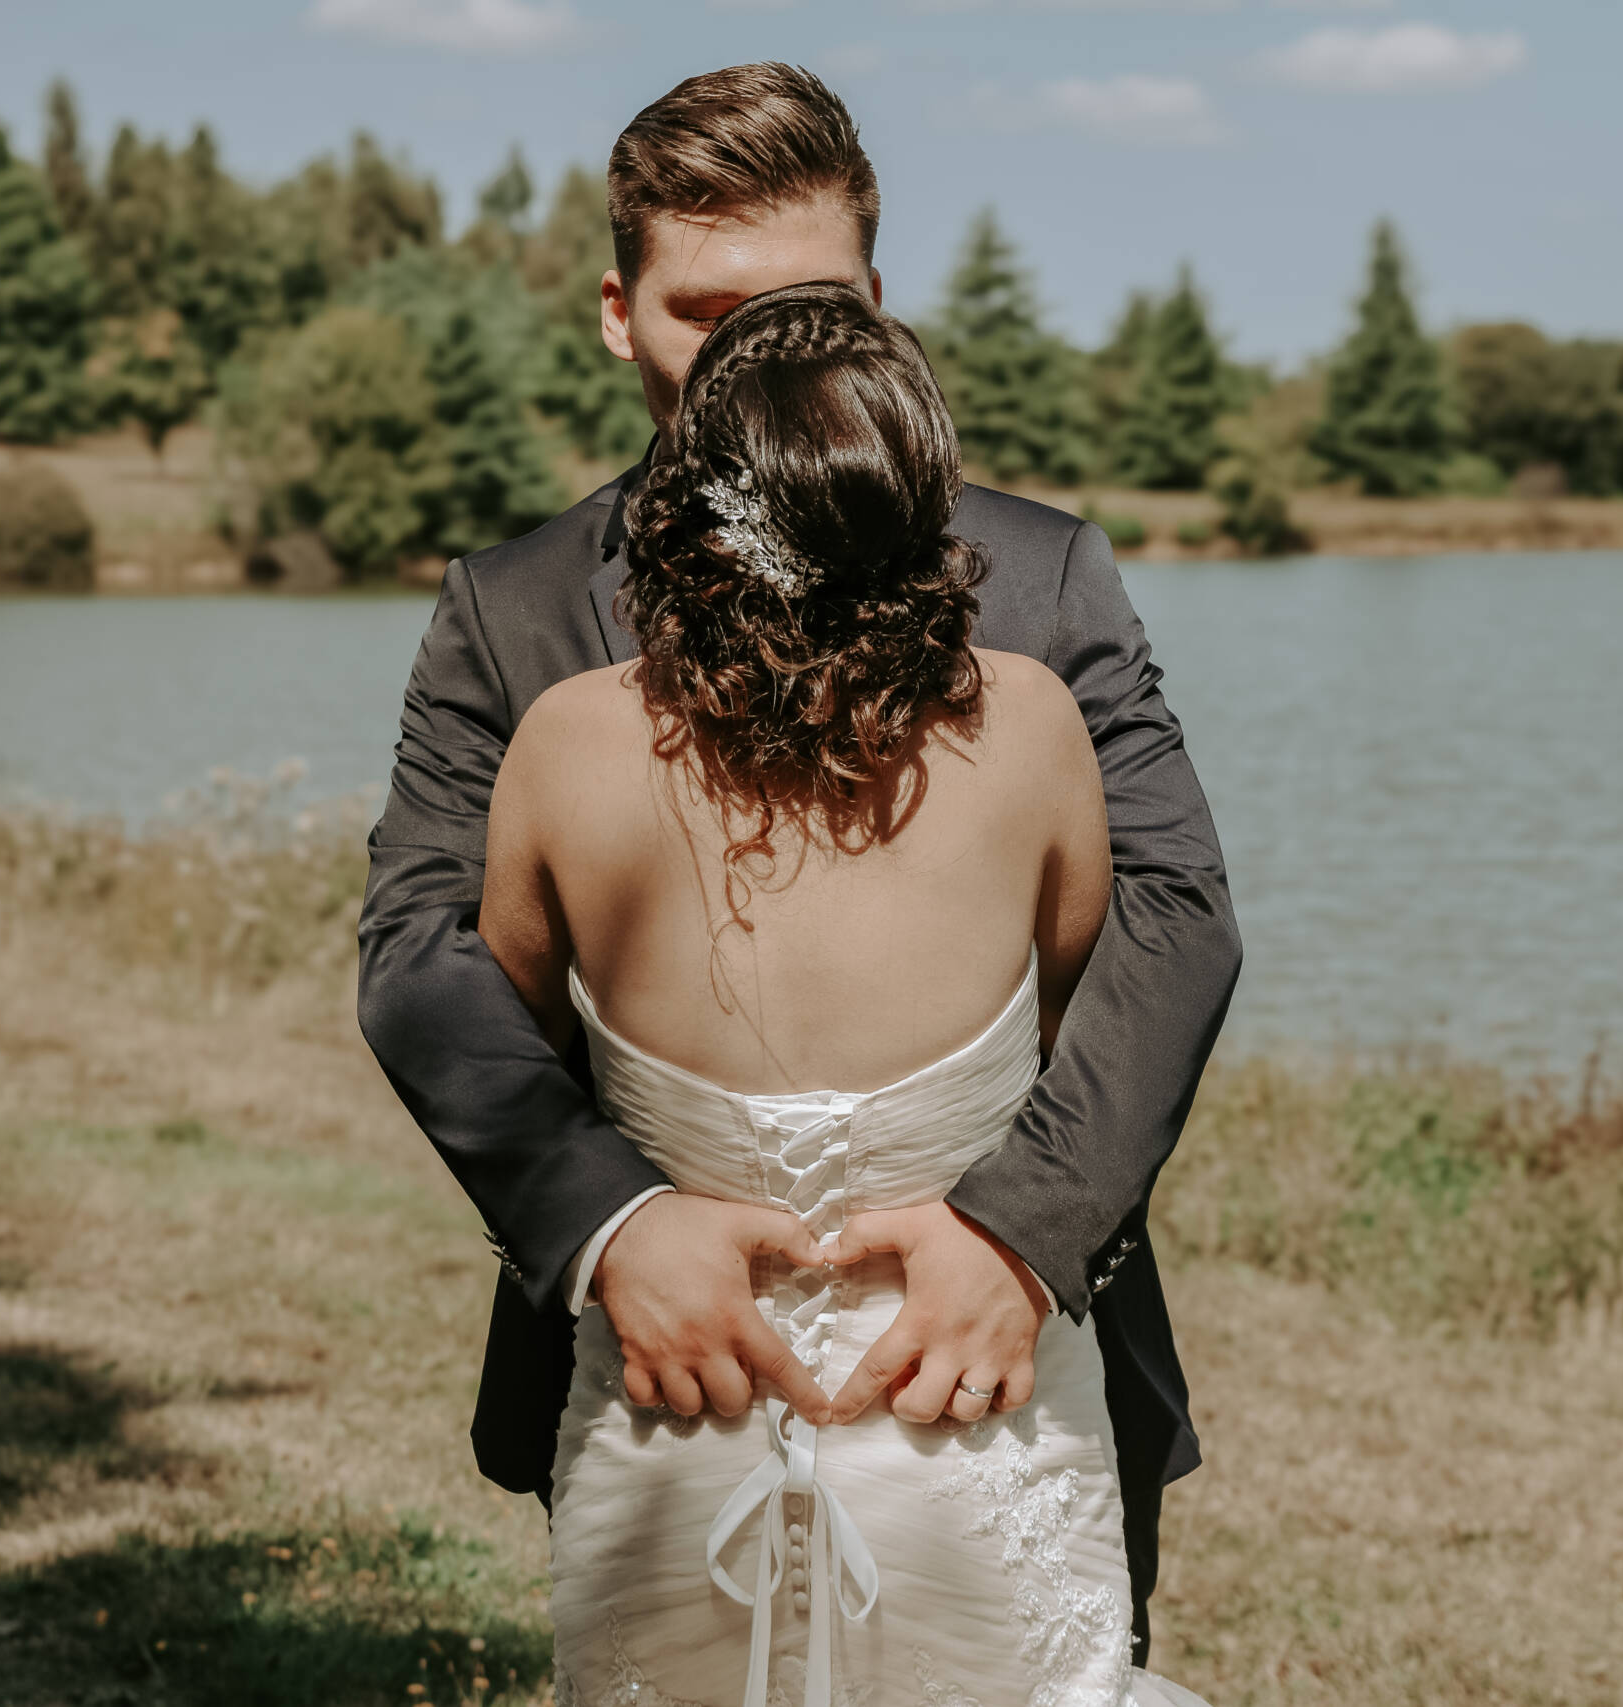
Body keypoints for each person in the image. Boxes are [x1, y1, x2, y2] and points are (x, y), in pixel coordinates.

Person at [356, 63, 1241, 1703]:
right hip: (665, 1356)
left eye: (813, 313)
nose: (759, 365)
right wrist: (607, 1220)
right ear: (620, 314)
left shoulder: (1040, 575)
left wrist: (1024, 1232)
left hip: (993, 1345)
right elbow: (422, 954)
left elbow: (1174, 917)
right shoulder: (514, 609)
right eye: (710, 316)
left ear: (882, 312)